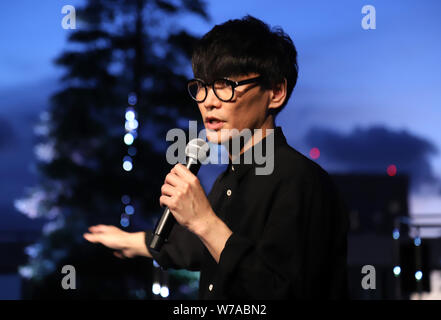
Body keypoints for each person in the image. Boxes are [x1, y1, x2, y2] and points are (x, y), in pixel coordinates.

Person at [84, 15, 349, 299]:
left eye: (225, 84)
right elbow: (197, 247)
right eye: (202, 86)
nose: (208, 100)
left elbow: (281, 290)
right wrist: (133, 241)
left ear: (275, 92)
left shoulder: (300, 180)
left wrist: (205, 222)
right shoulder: (229, 179)